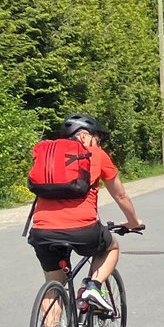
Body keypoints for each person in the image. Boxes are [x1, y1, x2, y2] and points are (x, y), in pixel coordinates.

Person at [27, 113, 144, 311]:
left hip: (42, 231)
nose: (98, 143)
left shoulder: (48, 155)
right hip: (82, 229)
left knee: (53, 288)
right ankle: (93, 287)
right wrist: (133, 222)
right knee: (111, 247)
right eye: (96, 138)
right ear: (83, 136)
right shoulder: (97, 155)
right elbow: (121, 196)